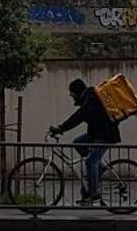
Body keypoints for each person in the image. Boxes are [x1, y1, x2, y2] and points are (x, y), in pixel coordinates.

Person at [49, 78, 121, 206]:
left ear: (77, 92)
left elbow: (79, 116)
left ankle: (94, 194)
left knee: (90, 161)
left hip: (106, 135)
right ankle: (97, 168)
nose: (72, 98)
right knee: (78, 142)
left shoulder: (91, 98)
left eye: (72, 94)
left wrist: (61, 128)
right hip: (96, 133)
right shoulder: (88, 97)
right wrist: (61, 128)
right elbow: (79, 115)